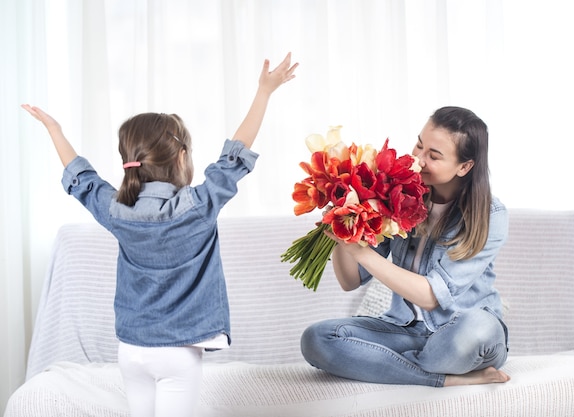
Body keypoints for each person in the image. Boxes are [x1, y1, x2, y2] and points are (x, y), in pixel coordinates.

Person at [22, 52, 298, 417]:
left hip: (131, 350)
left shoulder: (116, 211)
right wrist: (264, 92)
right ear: (182, 157)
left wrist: (55, 131)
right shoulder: (200, 206)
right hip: (178, 354)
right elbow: (235, 156)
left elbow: (83, 180)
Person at [300, 106, 511, 387]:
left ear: (465, 166)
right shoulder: (397, 194)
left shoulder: (489, 214)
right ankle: (443, 378)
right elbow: (350, 280)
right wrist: (345, 219)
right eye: (419, 145)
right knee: (318, 338)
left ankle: (392, 365)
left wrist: (359, 251)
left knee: (473, 330)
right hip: (405, 330)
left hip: (463, 332)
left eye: (433, 156)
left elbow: (431, 297)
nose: (418, 160)